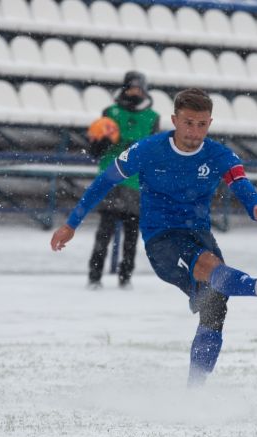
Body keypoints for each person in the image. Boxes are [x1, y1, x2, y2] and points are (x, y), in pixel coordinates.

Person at [51, 88, 257, 386]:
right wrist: (72, 224)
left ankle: (195, 392)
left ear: (209, 123)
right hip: (161, 238)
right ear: (174, 120)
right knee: (207, 271)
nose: (194, 131)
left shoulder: (219, 155)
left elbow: (241, 184)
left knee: (215, 307)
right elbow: (104, 181)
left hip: (198, 233)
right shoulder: (147, 150)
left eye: (202, 124)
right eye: (188, 123)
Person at [86, 71, 160, 290]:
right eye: (131, 87)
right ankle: (94, 276)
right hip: (112, 179)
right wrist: (103, 142)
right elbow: (95, 150)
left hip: (137, 182)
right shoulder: (111, 112)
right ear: (124, 88)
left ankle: (125, 276)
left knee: (132, 235)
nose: (135, 91)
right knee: (105, 231)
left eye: (139, 88)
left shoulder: (152, 117)